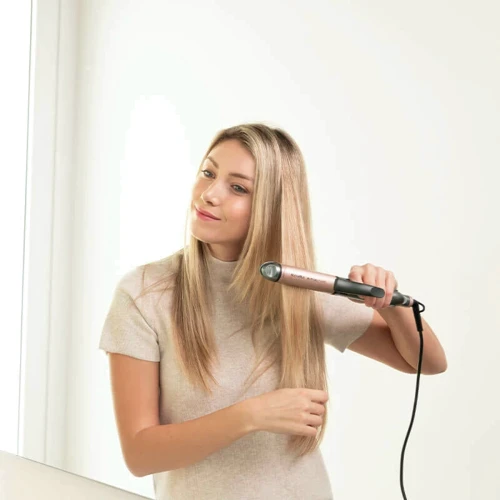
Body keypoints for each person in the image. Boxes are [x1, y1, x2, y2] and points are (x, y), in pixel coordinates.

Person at [99, 123, 446, 500]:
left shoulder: (300, 290)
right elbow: (140, 454)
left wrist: (391, 304)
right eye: (208, 173)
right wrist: (251, 416)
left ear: (273, 206)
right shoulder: (145, 293)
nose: (209, 194)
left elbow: (427, 363)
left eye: (238, 188)